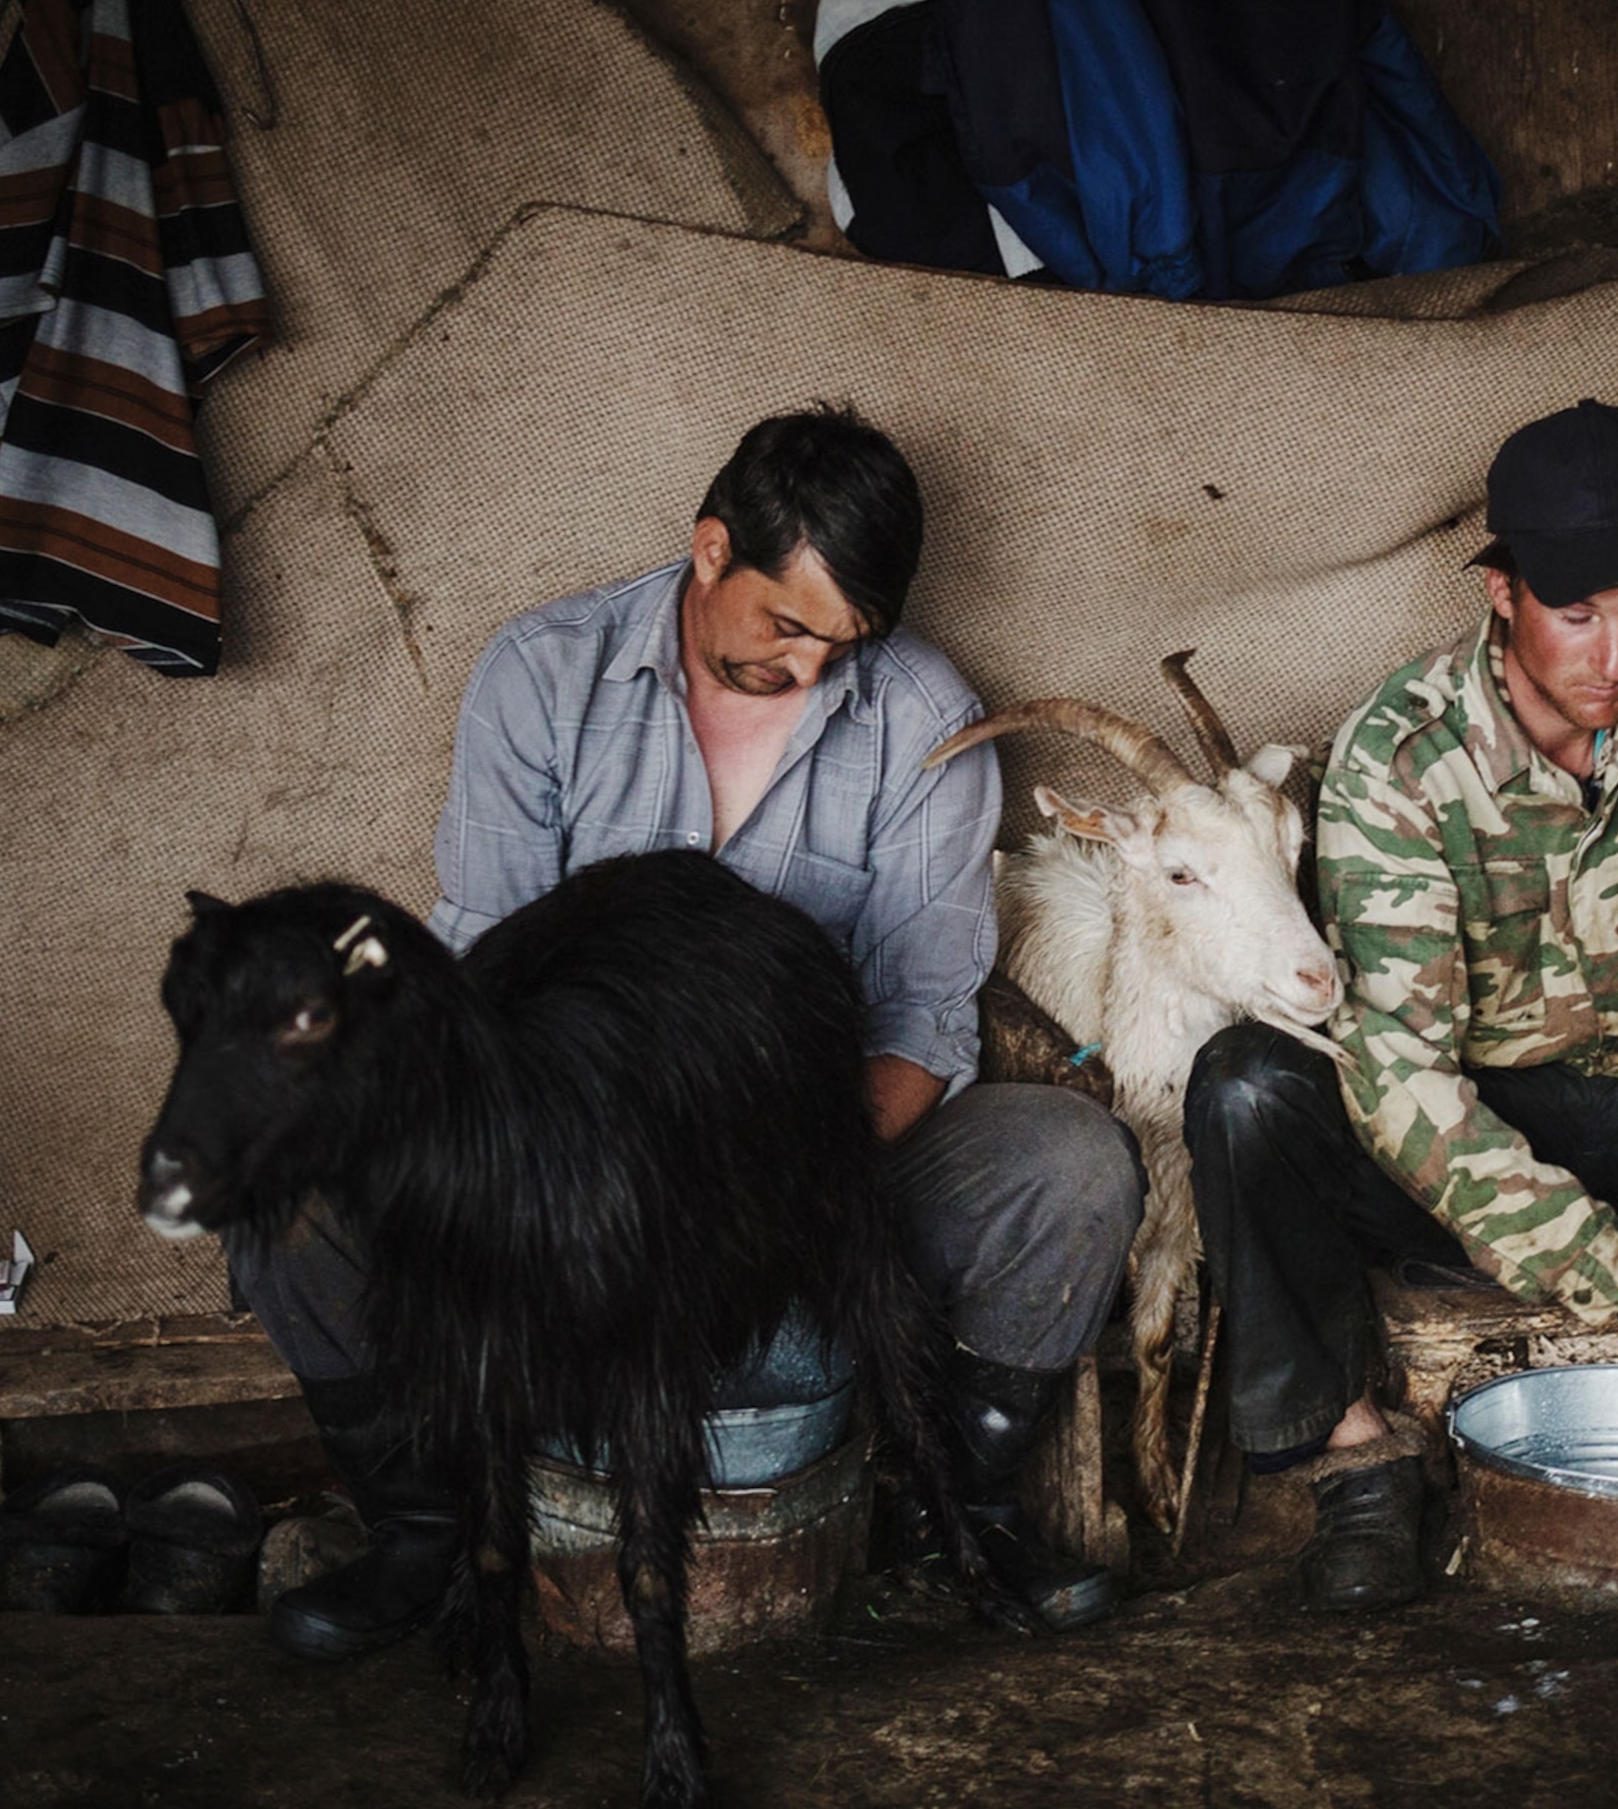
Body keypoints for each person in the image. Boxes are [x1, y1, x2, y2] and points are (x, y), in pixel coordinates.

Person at [237, 408, 1145, 1655]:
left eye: (847, 643)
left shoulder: (928, 718)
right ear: (712, 547)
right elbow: (489, 981)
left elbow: (924, 1024)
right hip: (568, 1158)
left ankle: (960, 1508)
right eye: (787, 625)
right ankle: (426, 1532)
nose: (813, 667)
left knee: (1070, 1161)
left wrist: (751, 1193)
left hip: (810, 1152)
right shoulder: (545, 675)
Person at [1185, 398, 1618, 1610]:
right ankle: (1355, 1457)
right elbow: (1408, 1087)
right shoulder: (1403, 752)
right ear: (1499, 589)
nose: (1616, 660)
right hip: (1455, 1136)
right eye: (1576, 617)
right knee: (1248, 1089)